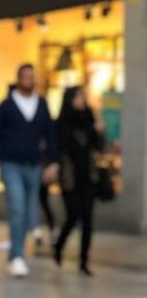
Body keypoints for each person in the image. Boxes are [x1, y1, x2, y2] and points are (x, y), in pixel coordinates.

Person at [0, 64, 59, 278]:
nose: (28, 80)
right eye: (25, 77)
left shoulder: (41, 105)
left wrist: (53, 162)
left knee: (26, 209)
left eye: (32, 77)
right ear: (18, 79)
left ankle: (19, 250)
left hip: (33, 165)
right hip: (10, 164)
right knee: (16, 206)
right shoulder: (6, 106)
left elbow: (50, 134)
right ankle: (17, 255)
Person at [53, 86, 103, 276]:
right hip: (69, 178)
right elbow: (58, 149)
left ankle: (84, 260)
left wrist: (98, 129)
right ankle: (59, 244)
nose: (82, 100)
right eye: (78, 96)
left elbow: (99, 146)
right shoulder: (62, 122)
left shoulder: (90, 119)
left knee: (88, 219)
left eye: (83, 96)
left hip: (88, 177)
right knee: (73, 215)